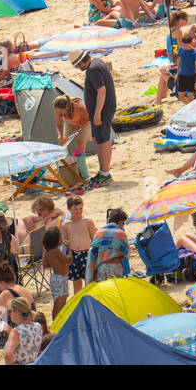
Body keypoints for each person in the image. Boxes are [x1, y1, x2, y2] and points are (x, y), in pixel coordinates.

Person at [69, 50, 115, 185]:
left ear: (82, 61)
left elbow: (102, 90)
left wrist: (97, 113)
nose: (78, 68)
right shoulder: (97, 63)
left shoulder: (93, 69)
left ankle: (105, 174)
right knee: (98, 140)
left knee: (103, 141)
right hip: (100, 110)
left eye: (78, 65)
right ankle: (102, 172)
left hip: (102, 111)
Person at [88, 208, 130, 280]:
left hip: (101, 267)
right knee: (115, 290)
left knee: (104, 291)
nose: (123, 226)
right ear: (120, 222)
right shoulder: (121, 234)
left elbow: (93, 253)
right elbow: (126, 254)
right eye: (123, 223)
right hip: (116, 267)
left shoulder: (98, 233)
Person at [3, 297, 43, 365]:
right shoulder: (38, 326)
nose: (9, 315)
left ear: (16, 312)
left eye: (9, 311)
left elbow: (8, 355)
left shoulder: (16, 331)